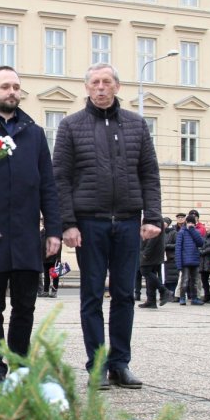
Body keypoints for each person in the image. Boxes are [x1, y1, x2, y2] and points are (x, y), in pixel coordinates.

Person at [53, 62, 162, 390]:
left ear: (117, 86)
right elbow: (61, 177)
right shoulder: (71, 126)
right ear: (87, 88)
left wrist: (153, 217)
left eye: (107, 82)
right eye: (95, 83)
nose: (101, 88)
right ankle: (96, 365)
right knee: (90, 296)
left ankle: (120, 363)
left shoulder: (137, 124)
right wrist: (68, 223)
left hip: (129, 221)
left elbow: (150, 174)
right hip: (89, 223)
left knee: (125, 294)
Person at [0, 65, 61, 383]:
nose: (12, 92)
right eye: (5, 87)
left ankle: (20, 364)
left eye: (16, 86)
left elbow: (48, 184)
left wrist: (54, 230)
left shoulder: (34, 133)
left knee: (25, 307)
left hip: (27, 236)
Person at [137, 218, 174, 309]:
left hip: (151, 253)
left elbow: (153, 238)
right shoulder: (154, 218)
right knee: (151, 274)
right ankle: (151, 300)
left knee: (145, 271)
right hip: (154, 252)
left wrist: (146, 253)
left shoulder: (153, 219)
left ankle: (164, 291)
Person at [176, 215, 205, 306]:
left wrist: (192, 230)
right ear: (186, 222)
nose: (191, 224)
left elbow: (200, 243)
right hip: (185, 261)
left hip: (195, 260)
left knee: (195, 281)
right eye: (189, 222)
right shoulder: (182, 232)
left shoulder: (196, 231)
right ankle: (182, 298)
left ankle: (194, 298)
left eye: (192, 223)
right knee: (184, 281)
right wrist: (179, 264)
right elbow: (178, 248)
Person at [40, 224, 62, 298]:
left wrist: (58, 258)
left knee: (54, 275)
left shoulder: (55, 231)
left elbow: (59, 244)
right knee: (46, 276)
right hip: (45, 258)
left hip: (54, 258)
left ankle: (54, 291)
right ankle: (46, 291)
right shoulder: (42, 232)